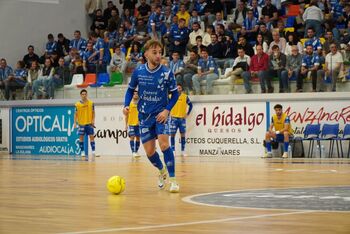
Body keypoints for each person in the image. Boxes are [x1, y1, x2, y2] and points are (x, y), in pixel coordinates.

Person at [123, 40, 180, 193]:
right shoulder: (138, 72)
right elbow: (129, 90)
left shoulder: (167, 72)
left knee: (164, 145)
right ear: (146, 54)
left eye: (160, 52)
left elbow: (175, 94)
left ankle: (174, 180)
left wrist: (167, 110)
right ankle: (162, 171)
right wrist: (126, 105)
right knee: (149, 152)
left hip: (161, 114)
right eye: (154, 52)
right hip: (144, 116)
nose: (158, 55)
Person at [170, 84, 193, 158]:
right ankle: (173, 150)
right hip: (173, 118)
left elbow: (190, 105)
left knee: (182, 134)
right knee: (172, 134)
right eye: (176, 88)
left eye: (179, 88)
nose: (178, 89)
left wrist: (188, 113)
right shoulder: (171, 96)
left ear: (181, 89)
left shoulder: (185, 97)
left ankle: (183, 151)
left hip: (182, 119)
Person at [74, 89, 96, 158]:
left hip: (89, 123)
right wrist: (75, 123)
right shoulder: (77, 104)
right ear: (80, 95)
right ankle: (82, 152)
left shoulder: (91, 103)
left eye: (85, 94)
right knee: (81, 138)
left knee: (92, 137)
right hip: (81, 124)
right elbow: (75, 114)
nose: (84, 95)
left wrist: (93, 121)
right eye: (82, 94)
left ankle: (93, 152)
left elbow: (93, 112)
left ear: (87, 95)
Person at [125, 90, 141, 160]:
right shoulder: (129, 104)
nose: (135, 95)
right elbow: (126, 116)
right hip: (131, 123)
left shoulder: (140, 104)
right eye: (134, 94)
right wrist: (126, 125)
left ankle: (136, 151)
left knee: (138, 138)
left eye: (136, 94)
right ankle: (133, 152)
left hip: (138, 124)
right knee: (132, 137)